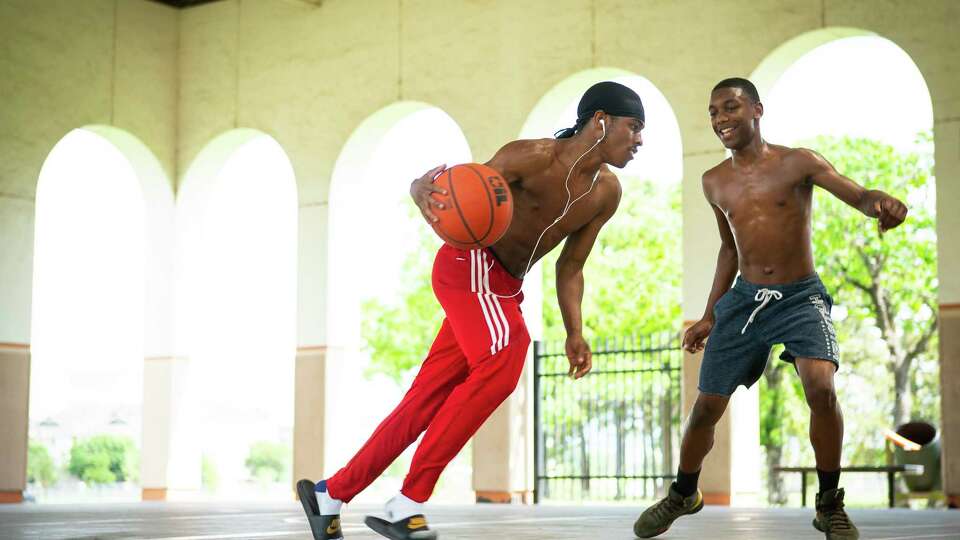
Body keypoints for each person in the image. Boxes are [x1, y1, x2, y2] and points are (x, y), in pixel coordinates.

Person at [297, 81, 646, 540]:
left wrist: (574, 331)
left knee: (424, 400)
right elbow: (460, 194)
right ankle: (408, 503)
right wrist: (417, 188)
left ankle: (330, 495)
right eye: (634, 127)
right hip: (470, 265)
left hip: (501, 288)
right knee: (507, 353)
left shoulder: (607, 193)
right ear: (601, 121)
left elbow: (571, 265)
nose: (639, 140)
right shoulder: (531, 156)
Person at [633, 77, 908, 540]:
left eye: (731, 107)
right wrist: (709, 314)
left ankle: (828, 503)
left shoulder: (798, 162)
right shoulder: (713, 181)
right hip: (743, 302)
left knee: (821, 389)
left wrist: (878, 203)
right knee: (705, 409)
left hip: (801, 296)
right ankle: (684, 492)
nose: (721, 118)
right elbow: (728, 250)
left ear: (757, 110)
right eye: (714, 111)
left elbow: (856, 194)